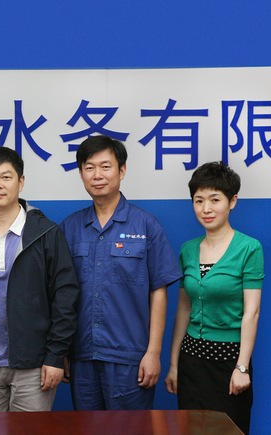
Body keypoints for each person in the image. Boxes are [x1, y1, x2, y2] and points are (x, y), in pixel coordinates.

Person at [0, 147, 79, 412]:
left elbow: (65, 297)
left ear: (21, 182)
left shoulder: (45, 233)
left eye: (6, 177)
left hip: (34, 365)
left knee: (30, 432)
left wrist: (55, 356)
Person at [59, 135, 182, 411]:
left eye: (106, 166)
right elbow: (61, 296)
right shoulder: (69, 228)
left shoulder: (146, 225)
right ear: (81, 174)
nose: (97, 175)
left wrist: (153, 352)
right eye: (89, 168)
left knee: (129, 429)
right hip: (82, 356)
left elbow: (159, 292)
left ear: (122, 170)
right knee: (86, 429)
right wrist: (62, 351)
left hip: (130, 359)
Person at [164, 162, 263, 434]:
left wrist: (242, 367)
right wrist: (174, 365)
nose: (206, 208)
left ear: (233, 201)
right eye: (199, 201)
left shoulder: (249, 248)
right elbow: (183, 310)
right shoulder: (187, 250)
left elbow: (252, 312)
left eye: (215, 200)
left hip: (229, 362)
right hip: (191, 362)